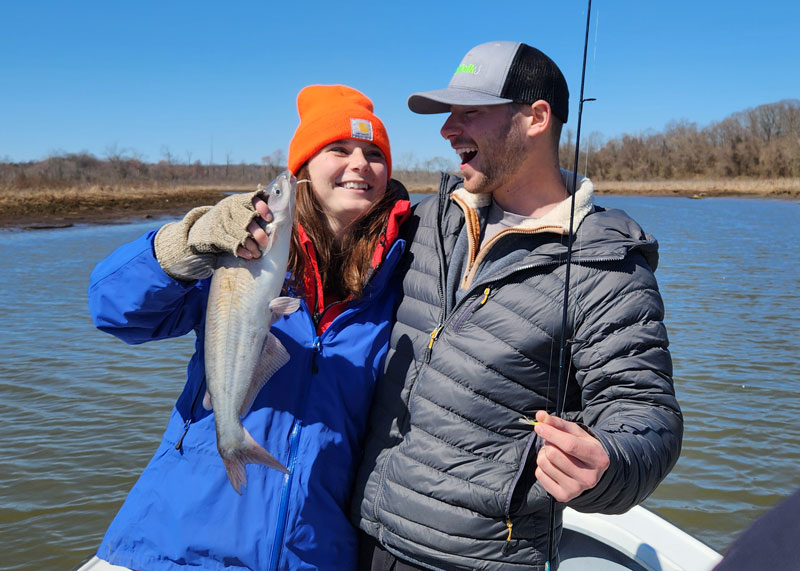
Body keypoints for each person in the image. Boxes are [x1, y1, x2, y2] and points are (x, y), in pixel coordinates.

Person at [352, 41, 683, 570]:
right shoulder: (425, 221)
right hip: (364, 534)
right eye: (449, 114)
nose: (447, 130)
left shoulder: (607, 265)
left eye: (470, 113)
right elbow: (319, 252)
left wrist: (609, 465)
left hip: (476, 559)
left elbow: (646, 415)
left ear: (536, 118)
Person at [87, 85, 410, 570]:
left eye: (373, 154)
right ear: (301, 171)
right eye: (338, 150)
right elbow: (115, 311)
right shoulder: (242, 246)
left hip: (314, 554)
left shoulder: (408, 276)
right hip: (173, 544)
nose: (359, 164)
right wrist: (188, 245)